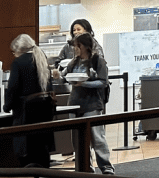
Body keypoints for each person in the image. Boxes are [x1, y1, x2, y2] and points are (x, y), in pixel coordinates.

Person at [62, 33, 113, 174]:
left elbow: (103, 82)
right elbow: (64, 76)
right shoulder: (73, 62)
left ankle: (106, 168)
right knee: (77, 140)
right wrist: (58, 76)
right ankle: (84, 168)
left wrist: (84, 84)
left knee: (97, 138)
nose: (75, 49)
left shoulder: (98, 60)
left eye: (78, 45)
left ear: (85, 46)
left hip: (92, 104)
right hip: (74, 104)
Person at [2, 34, 55, 168]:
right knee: (42, 151)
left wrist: (7, 106)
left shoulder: (18, 62)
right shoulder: (40, 57)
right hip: (45, 110)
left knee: (28, 154)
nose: (14, 55)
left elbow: (13, 88)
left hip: (27, 113)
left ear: (19, 49)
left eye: (14, 52)